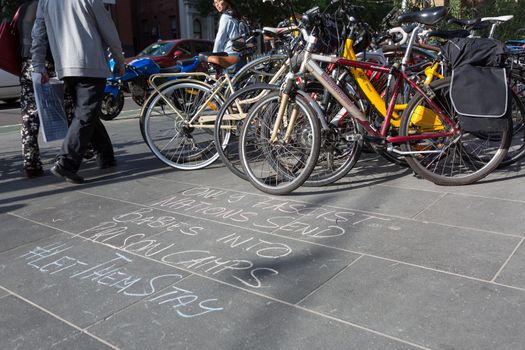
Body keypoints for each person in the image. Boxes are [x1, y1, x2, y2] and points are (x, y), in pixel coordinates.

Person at [31, 0, 125, 184]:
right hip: (91, 64)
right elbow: (109, 30)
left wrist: (38, 64)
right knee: (86, 114)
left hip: (65, 67)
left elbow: (38, 34)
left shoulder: (45, 1)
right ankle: (66, 163)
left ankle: (106, 156)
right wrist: (119, 60)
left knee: (88, 113)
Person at [17, 0, 51, 178]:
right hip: (46, 63)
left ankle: (30, 162)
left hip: (26, 64)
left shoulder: (23, 8)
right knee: (67, 106)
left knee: (29, 115)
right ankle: (83, 150)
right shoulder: (48, 6)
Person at [207, 0, 244, 70]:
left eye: (219, 1)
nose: (217, 4)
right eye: (215, 3)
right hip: (240, 54)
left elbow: (220, 38)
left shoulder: (225, 17)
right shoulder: (234, 15)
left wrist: (214, 55)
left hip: (230, 54)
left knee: (227, 79)